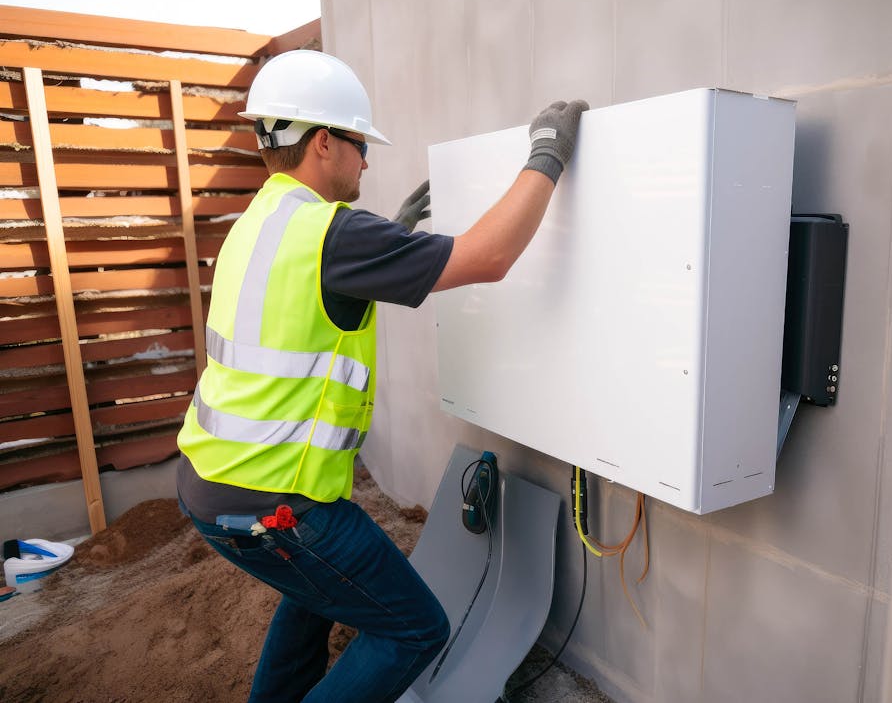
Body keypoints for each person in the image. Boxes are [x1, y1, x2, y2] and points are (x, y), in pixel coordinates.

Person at [174, 49, 587, 703]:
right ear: (323, 143)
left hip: (209, 485)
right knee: (414, 628)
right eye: (360, 144)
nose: (367, 160)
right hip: (274, 503)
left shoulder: (257, 222)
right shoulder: (335, 234)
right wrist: (548, 156)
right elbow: (490, 256)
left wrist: (384, 244)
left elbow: (305, 304)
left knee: (313, 597)